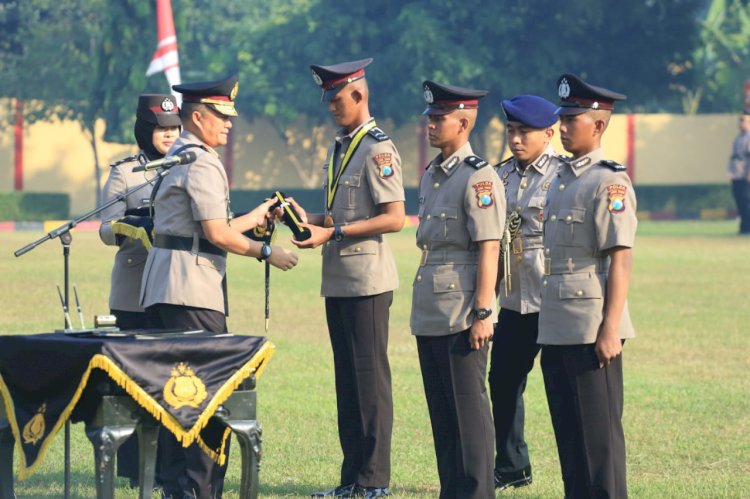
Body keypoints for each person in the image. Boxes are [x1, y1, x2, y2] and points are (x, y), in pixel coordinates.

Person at [140, 74, 298, 498]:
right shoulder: (203, 161)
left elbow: (210, 226)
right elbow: (217, 235)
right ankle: (198, 489)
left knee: (173, 394)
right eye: (221, 116)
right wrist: (268, 253)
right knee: (202, 396)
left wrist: (256, 215)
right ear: (197, 116)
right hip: (191, 288)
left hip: (169, 283)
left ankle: (179, 488)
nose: (229, 124)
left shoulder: (182, 154)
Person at [288, 57, 405, 498]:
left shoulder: (378, 149)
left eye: (337, 99)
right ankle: (351, 478)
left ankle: (373, 480)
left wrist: (332, 230)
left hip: (367, 283)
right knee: (348, 384)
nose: (331, 107)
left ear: (359, 95)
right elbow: (339, 215)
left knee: (370, 383)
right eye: (328, 100)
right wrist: (305, 219)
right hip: (338, 280)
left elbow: (394, 219)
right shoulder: (343, 145)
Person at [539, 73, 637, 499]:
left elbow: (620, 258)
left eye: (572, 119)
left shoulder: (609, 181)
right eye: (561, 118)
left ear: (597, 125)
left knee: (599, 439)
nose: (562, 127)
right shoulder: (561, 178)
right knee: (569, 434)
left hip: (591, 323)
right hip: (557, 321)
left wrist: (610, 326)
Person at [410, 80, 505, 499]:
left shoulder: (479, 178)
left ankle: (478, 491)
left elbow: (489, 248)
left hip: (462, 308)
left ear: (463, 122)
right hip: (431, 305)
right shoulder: (433, 173)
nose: (429, 124)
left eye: (439, 118)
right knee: (442, 412)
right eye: (429, 117)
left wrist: (484, 312)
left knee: (467, 410)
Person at [98, 93, 181, 487]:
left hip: (172, 287)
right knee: (133, 384)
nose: (170, 135)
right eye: (162, 129)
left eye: (175, 128)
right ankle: (134, 469)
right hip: (133, 289)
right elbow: (103, 227)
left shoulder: (187, 166)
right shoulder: (125, 173)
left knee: (170, 381)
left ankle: (168, 467)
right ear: (145, 131)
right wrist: (129, 226)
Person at [488, 94, 565, 491]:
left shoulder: (563, 175)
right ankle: (512, 465)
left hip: (552, 301)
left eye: (525, 132)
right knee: (502, 380)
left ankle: (576, 465)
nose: (516, 140)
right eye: (512, 131)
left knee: (561, 388)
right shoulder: (500, 176)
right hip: (514, 300)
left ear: (549, 133)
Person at [729, 110, 750, 234]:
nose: (740, 123)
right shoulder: (739, 137)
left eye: (743, 120)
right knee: (740, 202)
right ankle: (744, 227)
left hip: (745, 174)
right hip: (737, 173)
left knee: (747, 202)